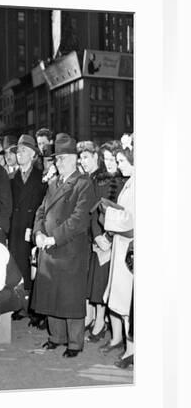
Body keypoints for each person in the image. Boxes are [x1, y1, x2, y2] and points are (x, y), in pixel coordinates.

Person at [31, 133, 96, 357]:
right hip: (49, 246)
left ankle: (75, 343)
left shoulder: (83, 183)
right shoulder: (53, 183)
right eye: (57, 159)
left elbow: (79, 220)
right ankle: (55, 337)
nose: (59, 162)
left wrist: (53, 238)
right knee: (51, 295)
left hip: (68, 249)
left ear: (75, 159)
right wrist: (39, 232)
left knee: (70, 297)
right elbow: (41, 210)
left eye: (64, 158)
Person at [77, 140, 126, 342]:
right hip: (99, 238)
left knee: (108, 285)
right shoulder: (101, 180)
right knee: (96, 283)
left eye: (113, 158)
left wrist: (107, 237)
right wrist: (98, 236)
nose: (111, 162)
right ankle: (97, 321)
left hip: (116, 238)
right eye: (107, 159)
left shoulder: (121, 180)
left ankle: (103, 324)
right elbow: (95, 210)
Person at [99, 146, 135, 369]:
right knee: (122, 299)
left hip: (129, 247)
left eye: (122, 160)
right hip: (122, 245)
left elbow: (131, 219)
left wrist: (108, 214)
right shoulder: (131, 182)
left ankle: (132, 350)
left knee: (129, 301)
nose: (119, 164)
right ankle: (128, 347)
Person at [8, 134, 47, 323]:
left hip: (33, 228)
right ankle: (21, 306)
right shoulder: (11, 177)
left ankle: (36, 309)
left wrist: (36, 229)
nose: (19, 154)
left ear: (33, 155)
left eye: (23, 151)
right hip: (16, 228)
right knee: (18, 268)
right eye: (17, 151)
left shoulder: (41, 178)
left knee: (33, 268)